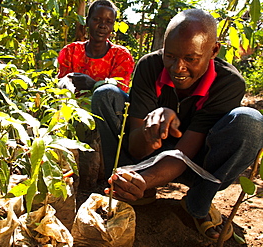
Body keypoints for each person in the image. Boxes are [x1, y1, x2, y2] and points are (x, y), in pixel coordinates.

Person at [91, 9, 263, 242]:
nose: (178, 68)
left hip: (197, 164)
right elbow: (135, 147)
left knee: (251, 122)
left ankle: (198, 204)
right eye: (170, 56)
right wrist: (148, 132)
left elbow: (184, 154)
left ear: (213, 51)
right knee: (106, 95)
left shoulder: (228, 83)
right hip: (146, 158)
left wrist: (147, 178)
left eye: (190, 59)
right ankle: (126, 186)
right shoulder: (149, 67)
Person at [57, 0, 134, 94]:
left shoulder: (121, 56)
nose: (102, 26)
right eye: (97, 19)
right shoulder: (70, 51)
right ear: (87, 21)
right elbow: (61, 89)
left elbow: (118, 94)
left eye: (109, 22)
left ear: (113, 25)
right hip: (71, 107)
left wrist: (93, 84)